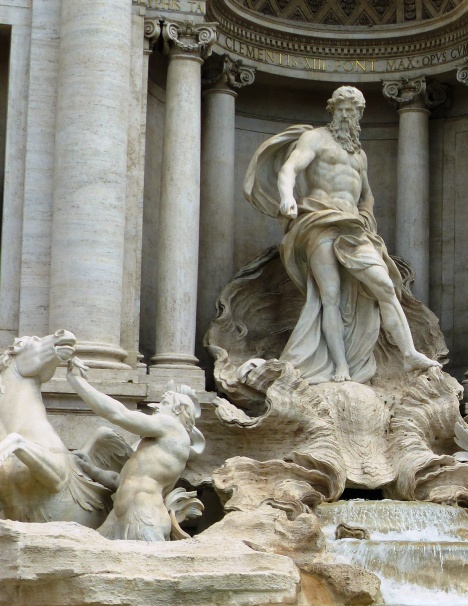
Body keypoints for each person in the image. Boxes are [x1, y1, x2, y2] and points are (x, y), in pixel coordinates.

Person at [243, 85, 439, 384]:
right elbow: (289, 170)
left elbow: (367, 195)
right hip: (319, 220)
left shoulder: (359, 154)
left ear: (360, 114)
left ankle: (410, 354)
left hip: (353, 227)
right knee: (330, 296)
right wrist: (287, 197)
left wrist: (366, 217)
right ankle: (340, 367)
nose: (347, 115)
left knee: (385, 286)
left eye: (353, 110)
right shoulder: (315, 138)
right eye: (342, 109)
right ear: (332, 110)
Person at [66, 359, 204, 542]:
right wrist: (89, 469)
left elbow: (119, 414)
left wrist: (78, 382)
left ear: (178, 410)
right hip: (118, 518)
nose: (156, 407)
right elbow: (119, 481)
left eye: (163, 403)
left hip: (145, 518)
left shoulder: (172, 426)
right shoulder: (154, 445)